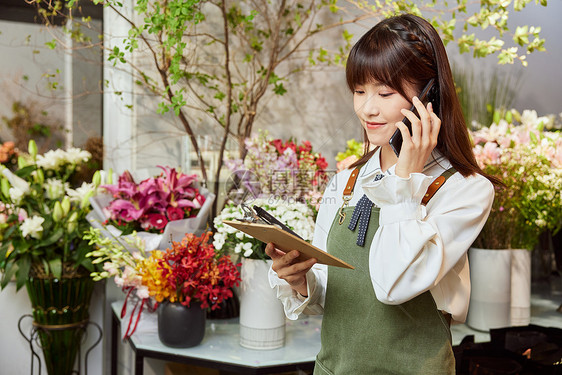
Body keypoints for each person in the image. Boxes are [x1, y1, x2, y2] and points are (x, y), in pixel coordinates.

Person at [265, 13, 499, 374]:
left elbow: (393, 286)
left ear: (428, 95)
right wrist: (299, 281)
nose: (367, 109)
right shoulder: (346, 181)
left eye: (384, 93)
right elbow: (333, 298)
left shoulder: (464, 190)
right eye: (359, 91)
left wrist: (405, 178)